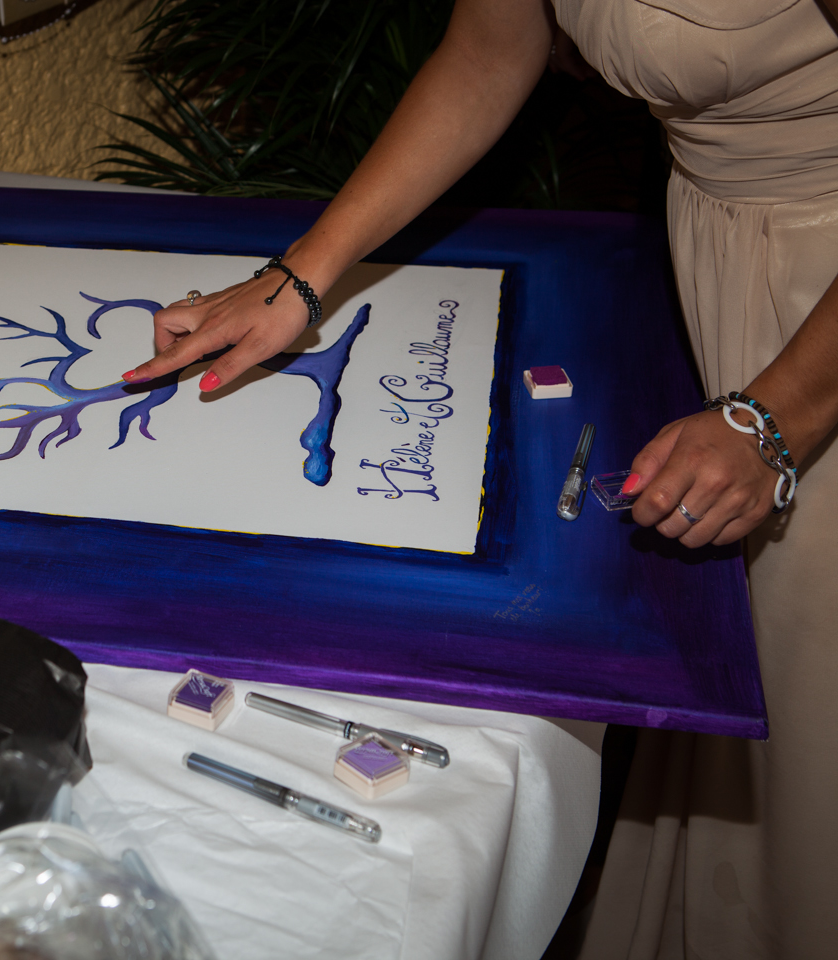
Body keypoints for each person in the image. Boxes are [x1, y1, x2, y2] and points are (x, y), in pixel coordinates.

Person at [120, 1, 838, 957]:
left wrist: (779, 418)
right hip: (710, 247)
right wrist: (300, 279)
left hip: (820, 307)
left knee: (808, 700)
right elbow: (490, 50)